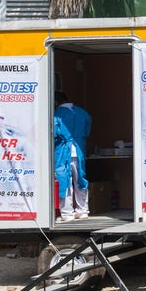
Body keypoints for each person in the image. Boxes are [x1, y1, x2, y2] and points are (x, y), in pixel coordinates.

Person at [54, 92, 92, 222]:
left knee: (64, 180)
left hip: (63, 151)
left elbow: (54, 133)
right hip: (79, 149)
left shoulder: (58, 114)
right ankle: (82, 211)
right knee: (80, 179)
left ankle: (67, 213)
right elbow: (87, 131)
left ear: (56, 102)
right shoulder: (82, 112)